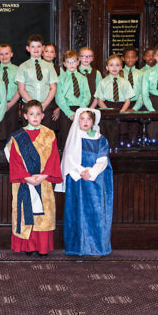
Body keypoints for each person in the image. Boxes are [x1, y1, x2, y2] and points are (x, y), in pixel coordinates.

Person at [5, 100, 62, 257]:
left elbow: (54, 158)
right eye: (31, 114)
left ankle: (43, 247)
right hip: (24, 182)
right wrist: (28, 178)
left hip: (44, 182)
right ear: (25, 116)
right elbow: (15, 161)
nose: (35, 117)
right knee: (27, 214)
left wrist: (43, 175)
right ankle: (29, 247)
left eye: (38, 114)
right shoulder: (17, 137)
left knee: (43, 216)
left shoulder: (49, 135)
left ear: (43, 116)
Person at [56, 108, 113, 257]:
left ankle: (96, 247)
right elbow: (69, 158)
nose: (85, 122)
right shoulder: (74, 138)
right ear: (77, 121)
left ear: (93, 121)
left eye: (88, 119)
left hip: (95, 182)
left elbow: (102, 160)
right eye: (82, 118)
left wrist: (92, 173)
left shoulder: (100, 139)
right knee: (77, 212)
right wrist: (81, 171)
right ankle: (77, 247)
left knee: (95, 212)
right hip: (77, 181)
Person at [15, 34, 59, 131]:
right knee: (29, 136)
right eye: (33, 46)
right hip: (28, 107)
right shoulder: (23, 67)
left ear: (43, 48)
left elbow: (53, 88)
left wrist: (44, 104)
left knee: (46, 136)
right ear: (28, 48)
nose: (36, 49)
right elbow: (21, 89)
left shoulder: (49, 67)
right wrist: (33, 105)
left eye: (38, 46)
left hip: (45, 107)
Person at [91, 55, 134, 145]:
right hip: (107, 108)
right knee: (108, 133)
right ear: (107, 67)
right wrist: (107, 111)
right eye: (111, 65)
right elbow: (99, 100)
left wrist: (122, 112)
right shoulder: (103, 82)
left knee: (121, 132)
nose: (114, 68)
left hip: (121, 108)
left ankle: (120, 154)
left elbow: (128, 100)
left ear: (121, 67)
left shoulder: (125, 82)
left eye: (117, 65)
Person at [55, 50, 91, 149]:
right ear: (64, 64)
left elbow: (87, 95)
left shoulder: (83, 78)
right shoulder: (60, 78)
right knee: (66, 137)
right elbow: (59, 97)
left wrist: (80, 111)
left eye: (74, 61)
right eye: (68, 62)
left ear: (78, 62)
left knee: (80, 136)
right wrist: (69, 113)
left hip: (80, 109)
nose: (71, 64)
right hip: (66, 110)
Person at [0, 43, 20, 136]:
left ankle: (11, 149)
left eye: (6, 53)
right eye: (1, 54)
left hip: (12, 104)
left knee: (12, 131)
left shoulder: (18, 70)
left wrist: (10, 104)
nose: (4, 56)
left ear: (11, 54)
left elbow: (20, 89)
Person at [122, 49, 144, 143]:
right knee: (122, 130)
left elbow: (143, 93)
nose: (130, 59)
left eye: (133, 57)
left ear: (137, 58)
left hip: (136, 104)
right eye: (127, 57)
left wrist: (135, 108)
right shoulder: (119, 73)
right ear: (123, 59)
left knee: (134, 131)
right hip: (122, 104)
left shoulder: (141, 74)